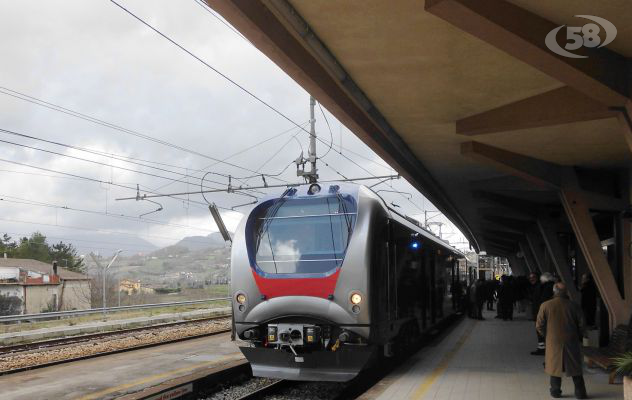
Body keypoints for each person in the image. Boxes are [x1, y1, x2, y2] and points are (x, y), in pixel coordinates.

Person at [536, 283, 587, 399]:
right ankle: (580, 393)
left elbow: (539, 325)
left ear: (554, 292)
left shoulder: (545, 305)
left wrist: (547, 336)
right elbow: (582, 325)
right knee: (575, 367)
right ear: (566, 292)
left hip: (553, 341)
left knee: (554, 367)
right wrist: (577, 335)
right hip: (571, 340)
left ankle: (555, 391)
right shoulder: (574, 305)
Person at [531, 272, 555, 355]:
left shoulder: (546, 287)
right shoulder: (551, 286)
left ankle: (542, 348)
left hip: (542, 312)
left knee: (540, 330)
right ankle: (543, 348)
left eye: (541, 279)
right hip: (546, 312)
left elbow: (542, 301)